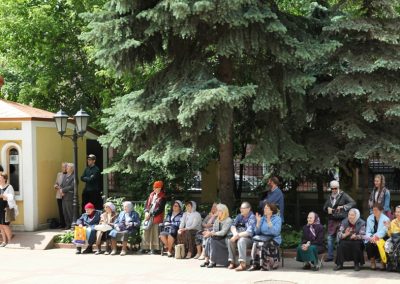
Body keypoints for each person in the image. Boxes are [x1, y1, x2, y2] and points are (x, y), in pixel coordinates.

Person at [323, 180, 356, 262]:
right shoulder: (329, 197)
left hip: (342, 220)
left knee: (339, 239)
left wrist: (343, 207)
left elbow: (353, 203)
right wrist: (327, 209)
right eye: (332, 188)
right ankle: (330, 256)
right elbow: (324, 208)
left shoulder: (343, 195)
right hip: (332, 220)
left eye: (335, 188)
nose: (334, 190)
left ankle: (339, 257)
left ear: (338, 187)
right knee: (330, 238)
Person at [247, 203, 282, 271]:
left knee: (263, 244)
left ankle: (265, 265)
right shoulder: (263, 218)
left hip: (274, 239)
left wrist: (269, 222)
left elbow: (275, 232)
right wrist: (258, 222)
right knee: (255, 244)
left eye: (266, 208)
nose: (264, 210)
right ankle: (255, 264)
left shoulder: (277, 219)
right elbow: (257, 232)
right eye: (264, 208)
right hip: (263, 238)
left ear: (271, 210)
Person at [200, 204, 232, 268]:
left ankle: (212, 261)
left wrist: (212, 234)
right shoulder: (217, 220)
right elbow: (214, 230)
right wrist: (209, 233)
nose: (217, 212)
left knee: (212, 240)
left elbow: (223, 232)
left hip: (224, 239)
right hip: (217, 238)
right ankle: (207, 260)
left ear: (223, 211)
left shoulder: (228, 220)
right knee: (208, 238)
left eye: (219, 211)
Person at [227, 201, 256, 271]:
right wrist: (234, 234)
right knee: (230, 240)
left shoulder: (252, 217)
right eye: (240, 208)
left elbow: (249, 232)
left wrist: (237, 236)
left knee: (241, 240)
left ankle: (242, 264)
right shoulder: (239, 216)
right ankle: (232, 262)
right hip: (239, 236)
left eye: (243, 208)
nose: (241, 210)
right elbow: (232, 226)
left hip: (249, 239)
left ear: (249, 209)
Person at [140, 180, 166, 254]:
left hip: (156, 216)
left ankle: (155, 249)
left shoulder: (163, 197)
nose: (154, 189)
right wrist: (146, 212)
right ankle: (144, 247)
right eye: (154, 187)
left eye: (156, 187)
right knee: (146, 231)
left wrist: (151, 214)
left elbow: (160, 209)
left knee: (154, 232)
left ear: (160, 188)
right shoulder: (151, 195)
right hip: (148, 216)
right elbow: (147, 205)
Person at [365, 203, 390, 270]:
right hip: (372, 237)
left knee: (383, 244)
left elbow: (384, 231)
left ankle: (383, 262)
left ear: (381, 211)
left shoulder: (386, 219)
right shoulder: (369, 218)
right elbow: (368, 231)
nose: (374, 212)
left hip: (382, 237)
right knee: (368, 244)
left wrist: (375, 237)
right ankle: (372, 262)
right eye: (373, 210)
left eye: (376, 210)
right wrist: (370, 237)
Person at [0, 172, 18, 247]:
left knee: (5, 225)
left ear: (4, 178)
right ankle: (4, 241)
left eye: (0, 177)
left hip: (6, 208)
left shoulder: (9, 187)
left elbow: (11, 197)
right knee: (0, 225)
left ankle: (10, 241)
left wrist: (3, 196)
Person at [384, 205, 400, 271]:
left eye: (399, 212)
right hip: (395, 239)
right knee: (387, 244)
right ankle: (392, 264)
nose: (397, 213)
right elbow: (390, 235)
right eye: (396, 212)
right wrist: (388, 227)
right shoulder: (393, 222)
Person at [59, 163, 74, 229]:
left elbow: (72, 186)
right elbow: (61, 184)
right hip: (64, 197)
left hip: (69, 197)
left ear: (71, 169)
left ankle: (72, 225)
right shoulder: (65, 176)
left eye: (68, 167)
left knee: (70, 211)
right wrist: (61, 190)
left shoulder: (74, 176)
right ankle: (67, 225)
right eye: (66, 167)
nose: (66, 168)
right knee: (65, 211)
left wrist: (63, 190)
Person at [53, 162, 67, 228]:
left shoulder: (69, 175)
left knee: (66, 210)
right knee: (60, 210)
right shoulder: (59, 174)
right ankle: (62, 224)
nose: (63, 168)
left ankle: (67, 223)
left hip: (66, 195)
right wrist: (56, 186)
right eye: (62, 167)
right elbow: (56, 183)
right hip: (59, 195)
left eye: (64, 167)